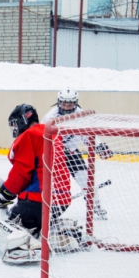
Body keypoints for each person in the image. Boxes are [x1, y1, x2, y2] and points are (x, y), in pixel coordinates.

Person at [0, 104, 77, 264]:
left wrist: (4, 194)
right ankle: (61, 234)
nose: (14, 129)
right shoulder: (49, 132)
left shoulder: (30, 136)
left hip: (37, 201)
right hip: (60, 201)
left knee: (9, 221)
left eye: (14, 124)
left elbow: (21, 172)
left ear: (21, 121)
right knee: (31, 221)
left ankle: (23, 248)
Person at [41, 88, 111, 219]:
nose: (67, 107)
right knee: (44, 182)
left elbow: (88, 136)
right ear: (58, 101)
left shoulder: (82, 116)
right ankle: (41, 205)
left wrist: (100, 146)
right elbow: (41, 136)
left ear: (76, 102)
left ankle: (96, 206)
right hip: (53, 155)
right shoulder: (50, 116)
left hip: (72, 154)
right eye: (64, 103)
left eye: (70, 103)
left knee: (86, 181)